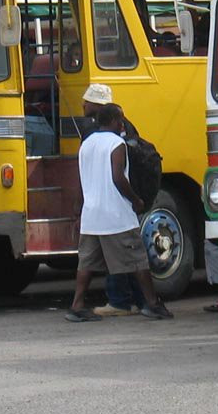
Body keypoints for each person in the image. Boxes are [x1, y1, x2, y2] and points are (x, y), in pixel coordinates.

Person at [66, 104, 172, 322]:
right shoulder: (117, 144)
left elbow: (80, 181)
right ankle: (152, 304)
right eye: (120, 120)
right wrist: (136, 200)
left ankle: (76, 306)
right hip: (116, 215)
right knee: (137, 259)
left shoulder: (86, 144)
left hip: (91, 215)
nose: (122, 124)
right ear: (114, 121)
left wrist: (78, 212)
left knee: (86, 263)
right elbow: (117, 177)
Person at [78, 84, 149, 317]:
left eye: (87, 101)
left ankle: (94, 304)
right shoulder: (117, 136)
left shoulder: (93, 138)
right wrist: (136, 199)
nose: (83, 105)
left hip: (101, 210)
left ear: (99, 107)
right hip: (115, 209)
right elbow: (118, 175)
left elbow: (107, 175)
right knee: (131, 260)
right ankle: (146, 303)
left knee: (99, 262)